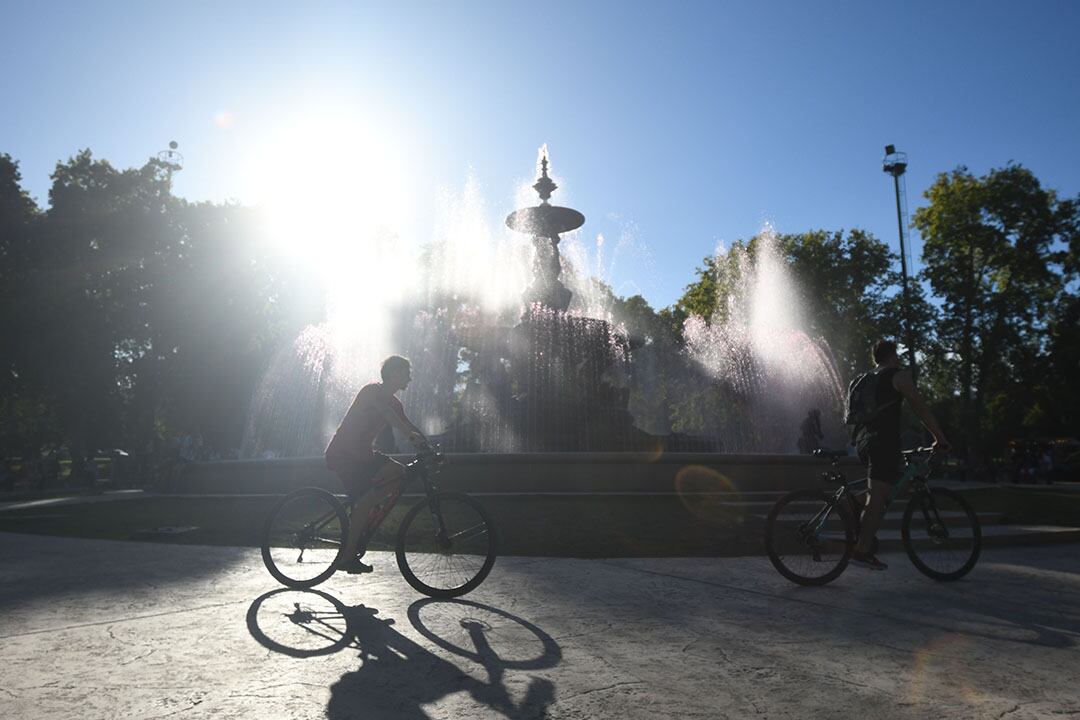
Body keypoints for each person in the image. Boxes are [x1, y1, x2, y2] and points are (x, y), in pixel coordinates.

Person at [850, 340, 950, 571]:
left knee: (887, 486)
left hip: (864, 442)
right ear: (893, 356)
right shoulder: (898, 375)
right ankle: (861, 551)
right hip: (883, 442)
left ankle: (853, 504)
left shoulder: (866, 378)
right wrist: (940, 438)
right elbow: (919, 407)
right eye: (897, 354)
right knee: (878, 498)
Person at [325, 355, 427, 574]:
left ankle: (366, 511)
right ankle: (347, 557)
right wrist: (410, 436)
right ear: (393, 374)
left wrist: (429, 448)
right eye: (406, 372)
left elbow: (408, 425)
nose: (410, 377)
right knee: (365, 501)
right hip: (343, 454)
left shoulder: (396, 403)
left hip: (363, 455)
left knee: (399, 473)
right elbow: (387, 414)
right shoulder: (372, 391)